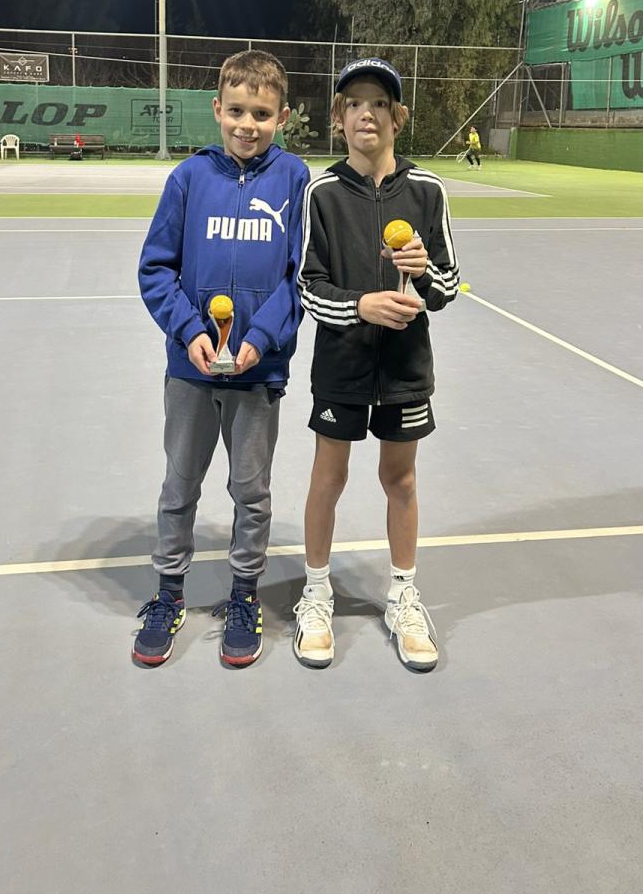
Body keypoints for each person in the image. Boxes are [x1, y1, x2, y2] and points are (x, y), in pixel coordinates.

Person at [136, 49, 310, 668]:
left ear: (282, 116)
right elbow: (156, 268)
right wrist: (190, 332)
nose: (247, 124)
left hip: (258, 375)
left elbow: (300, 276)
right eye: (236, 111)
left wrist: (260, 339)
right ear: (217, 109)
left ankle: (244, 595)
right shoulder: (188, 178)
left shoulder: (296, 180)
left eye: (261, 114)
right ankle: (169, 594)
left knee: (251, 492)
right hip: (191, 371)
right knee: (179, 485)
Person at [294, 57, 459, 671]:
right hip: (341, 365)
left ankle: (403, 596)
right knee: (328, 478)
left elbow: (448, 285)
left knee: (402, 480)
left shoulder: (428, 191)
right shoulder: (322, 194)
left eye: (380, 103)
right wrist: (359, 305)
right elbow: (307, 286)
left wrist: (423, 269)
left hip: (405, 367)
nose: (368, 113)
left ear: (398, 118)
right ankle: (316, 594)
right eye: (355, 103)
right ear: (339, 118)